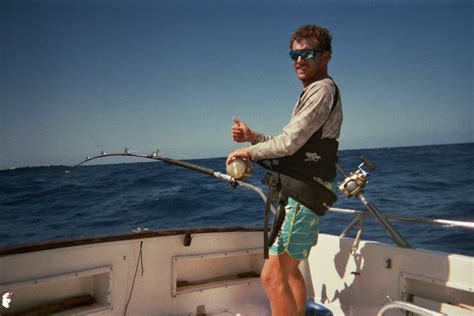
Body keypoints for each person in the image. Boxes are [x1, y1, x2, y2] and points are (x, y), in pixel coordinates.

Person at [226, 24, 343, 316]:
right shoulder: (313, 92)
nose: (299, 60)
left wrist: (247, 152)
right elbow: (290, 142)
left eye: (307, 53)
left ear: (326, 56)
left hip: (302, 196)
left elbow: (289, 144)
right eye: (294, 54)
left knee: (272, 275)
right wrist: (253, 136)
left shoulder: (322, 90)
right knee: (290, 272)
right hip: (300, 192)